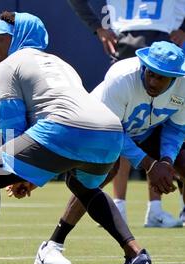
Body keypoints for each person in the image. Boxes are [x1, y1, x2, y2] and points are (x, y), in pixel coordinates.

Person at [0, 11, 153, 264]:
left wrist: (20, 173)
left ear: (17, 39)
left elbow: (11, 126)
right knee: (83, 186)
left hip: (65, 130)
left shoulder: (8, 65)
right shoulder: (60, 63)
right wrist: (28, 172)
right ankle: (136, 255)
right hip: (109, 133)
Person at [35, 41, 185, 264]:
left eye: (161, 78)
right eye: (150, 73)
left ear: (174, 78)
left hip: (146, 129)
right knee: (106, 171)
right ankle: (53, 245)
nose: (153, 81)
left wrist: (166, 161)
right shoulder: (121, 77)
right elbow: (112, 133)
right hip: (98, 128)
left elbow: (176, 128)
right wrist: (150, 165)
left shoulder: (183, 85)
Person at [68, 0, 185, 224]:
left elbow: (176, 130)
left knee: (156, 126)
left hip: (156, 41)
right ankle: (123, 206)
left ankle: (154, 209)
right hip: (137, 39)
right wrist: (97, 27)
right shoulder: (122, 75)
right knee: (120, 126)